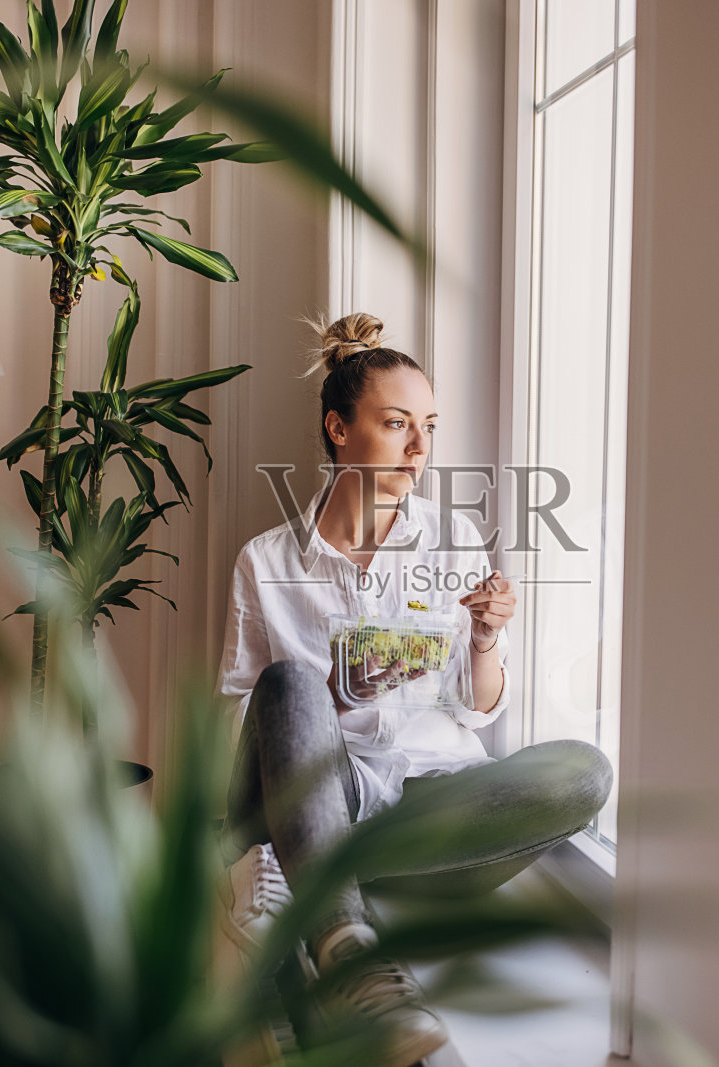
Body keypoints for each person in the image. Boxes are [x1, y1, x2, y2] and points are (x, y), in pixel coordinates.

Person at [215, 312, 612, 1065]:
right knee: (291, 681)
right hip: (328, 786)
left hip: (427, 806)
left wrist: (487, 640)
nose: (421, 448)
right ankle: (346, 950)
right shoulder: (266, 559)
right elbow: (240, 716)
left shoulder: (454, 537)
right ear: (338, 427)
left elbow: (475, 709)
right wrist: (331, 695)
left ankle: (309, 872)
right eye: (397, 423)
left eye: (428, 425)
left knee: (584, 771)